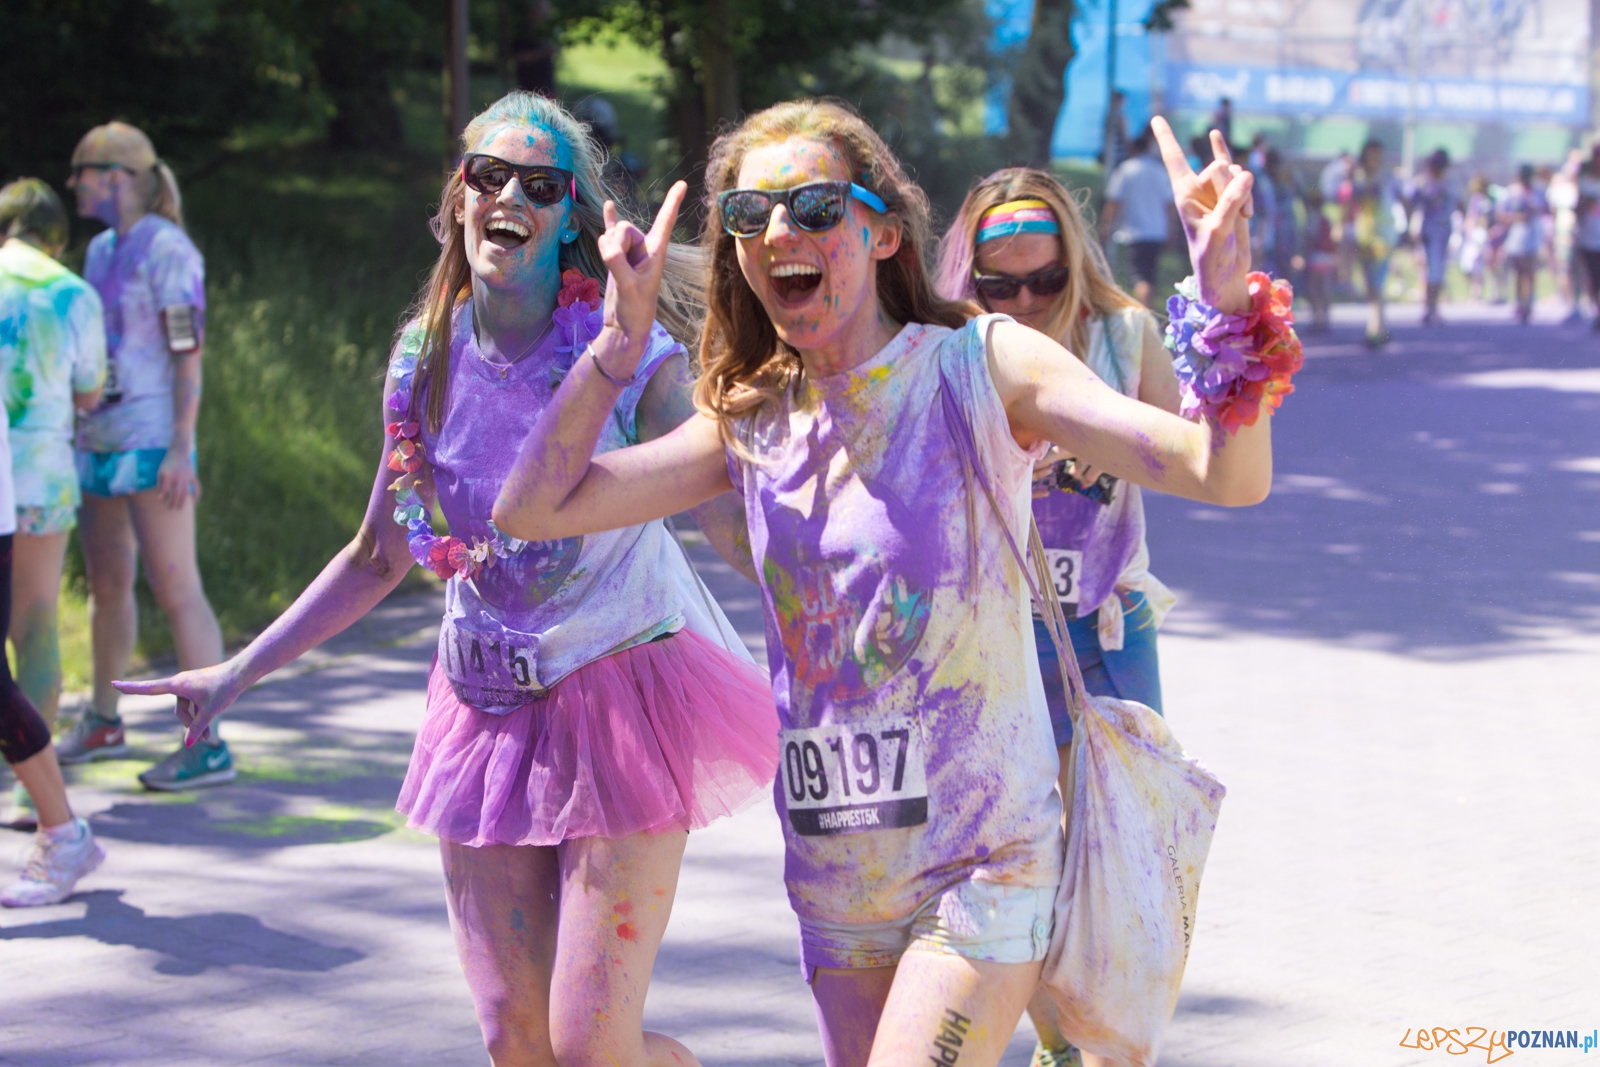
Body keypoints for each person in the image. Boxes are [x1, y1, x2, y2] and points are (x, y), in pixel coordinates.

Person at [491, 100, 1278, 1067]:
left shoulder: (980, 367)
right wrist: (617, 349)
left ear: (885, 233)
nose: (780, 231)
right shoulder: (750, 420)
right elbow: (531, 508)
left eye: (816, 206)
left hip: (983, 866)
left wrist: (1228, 302)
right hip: (837, 879)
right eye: (750, 215)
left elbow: (1223, 473)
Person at [115, 91, 780, 1066]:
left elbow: (727, 510)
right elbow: (377, 553)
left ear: (571, 222)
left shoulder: (635, 358)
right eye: (489, 175)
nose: (510, 195)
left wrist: (836, 612)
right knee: (515, 1038)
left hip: (621, 699)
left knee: (590, 1043)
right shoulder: (423, 357)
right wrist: (236, 671)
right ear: (459, 198)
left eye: (540, 185)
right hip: (482, 709)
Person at [933, 167, 1182, 1067]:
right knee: (1016, 856)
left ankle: (1103, 1035)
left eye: (1045, 281)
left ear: (1074, 262)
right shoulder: (950, 345)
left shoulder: (1122, 335)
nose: (1027, 303)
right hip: (992, 638)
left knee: (1117, 850)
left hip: (1105, 627)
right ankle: (1059, 1042)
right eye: (1001, 287)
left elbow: (1188, 448)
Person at [51, 123, 231, 792]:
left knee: (176, 584)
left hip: (154, 444)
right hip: (99, 441)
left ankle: (208, 741)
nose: (73, 183)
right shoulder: (100, 250)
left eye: (83, 171)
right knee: (106, 582)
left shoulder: (168, 250)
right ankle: (103, 719)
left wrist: (182, 446)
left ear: (118, 178)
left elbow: (188, 352)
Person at [0, 211, 107, 901]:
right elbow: (89, 390)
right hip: (41, 475)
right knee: (36, 624)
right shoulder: (70, 290)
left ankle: (57, 824)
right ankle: (37, 805)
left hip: (7, 479)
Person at [1099, 128, 1173, 307]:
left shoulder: (1126, 170)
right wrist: (1171, 230)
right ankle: (1149, 310)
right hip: (1157, 232)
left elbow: (1114, 202)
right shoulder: (1159, 170)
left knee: (1140, 277)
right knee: (1150, 275)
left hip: (1134, 232)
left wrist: (1106, 226)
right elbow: (1169, 205)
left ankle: (1144, 312)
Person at [1339, 138, 1400, 347]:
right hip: (1364, 235)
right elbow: (1349, 203)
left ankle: (1375, 328)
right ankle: (1381, 326)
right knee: (1371, 285)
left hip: (1383, 235)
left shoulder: (1387, 177)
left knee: (1377, 283)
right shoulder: (1358, 178)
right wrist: (1340, 225)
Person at [1406, 149, 1457, 326]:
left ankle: (1433, 307)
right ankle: (1429, 307)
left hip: (1444, 231)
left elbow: (1458, 203)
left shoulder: (1449, 183)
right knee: (1431, 270)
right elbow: (1410, 201)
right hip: (1428, 231)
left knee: (1438, 270)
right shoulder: (1422, 182)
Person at [1498, 163, 1548, 325]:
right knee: (1520, 272)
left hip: (1533, 235)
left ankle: (1529, 303)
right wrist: (1515, 217)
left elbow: (1546, 208)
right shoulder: (1512, 192)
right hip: (1517, 236)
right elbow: (1500, 213)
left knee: (1531, 271)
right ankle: (1520, 303)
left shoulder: (1538, 191)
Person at [1297, 187, 1336, 331]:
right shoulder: (1326, 220)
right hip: (1327, 258)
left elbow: (1308, 239)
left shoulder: (1311, 219)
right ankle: (1324, 318)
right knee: (1324, 290)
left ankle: (1316, 318)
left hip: (1315, 258)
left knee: (1313, 290)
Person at [1574, 146, 1600, 330]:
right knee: (1594, 278)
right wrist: (1586, 204)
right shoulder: (1585, 183)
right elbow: (1578, 210)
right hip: (1590, 239)